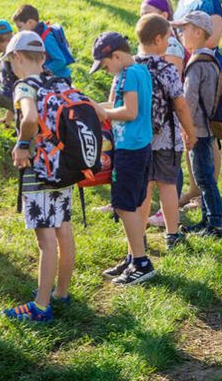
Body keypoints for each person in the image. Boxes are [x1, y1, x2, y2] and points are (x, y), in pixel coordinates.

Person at [2, 31, 76, 321]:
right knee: (63, 230)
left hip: (40, 169)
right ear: (43, 57)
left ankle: (41, 307)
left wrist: (22, 144)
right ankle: (62, 293)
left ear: (17, 57)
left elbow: (30, 118)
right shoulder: (60, 82)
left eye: (10, 61)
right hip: (65, 166)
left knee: (45, 239)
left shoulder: (23, 87)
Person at [91, 32, 158, 286]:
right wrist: (91, 105)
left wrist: (101, 112)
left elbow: (129, 112)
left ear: (116, 55)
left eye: (106, 65)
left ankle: (141, 263)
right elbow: (111, 104)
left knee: (123, 206)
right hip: (138, 146)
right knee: (132, 203)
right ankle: (132, 256)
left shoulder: (129, 74)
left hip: (130, 149)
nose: (106, 70)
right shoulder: (135, 72)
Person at [133, 14, 198, 250]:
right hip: (166, 138)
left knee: (144, 187)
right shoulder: (167, 69)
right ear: (159, 40)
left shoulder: (129, 67)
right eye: (169, 39)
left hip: (138, 139)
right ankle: (172, 235)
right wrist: (190, 132)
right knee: (167, 186)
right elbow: (180, 105)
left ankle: (138, 236)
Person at [175, 0, 222, 213]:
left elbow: (214, 37)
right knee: (188, 128)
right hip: (185, 69)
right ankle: (196, 188)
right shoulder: (183, 0)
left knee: (207, 134)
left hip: (204, 70)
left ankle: (208, 191)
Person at [174, 11, 222, 238]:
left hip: (198, 129)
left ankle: (215, 225)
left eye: (184, 29)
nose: (180, 34)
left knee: (204, 178)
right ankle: (206, 221)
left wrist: (186, 129)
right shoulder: (211, 59)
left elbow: (189, 101)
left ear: (198, 32)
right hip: (207, 128)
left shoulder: (197, 64)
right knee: (204, 177)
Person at [11, 4, 74, 81]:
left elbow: (60, 61)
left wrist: (42, 71)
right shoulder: (37, 35)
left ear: (30, 22)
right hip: (50, 77)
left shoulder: (46, 39)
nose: (19, 31)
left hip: (60, 79)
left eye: (20, 27)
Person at [139, 0, 187, 75]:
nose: (143, 19)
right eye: (141, 15)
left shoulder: (171, 46)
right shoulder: (148, 41)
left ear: (164, 16)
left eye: (147, 14)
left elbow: (173, 82)